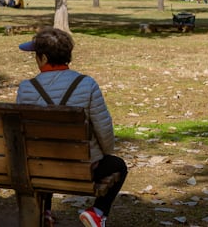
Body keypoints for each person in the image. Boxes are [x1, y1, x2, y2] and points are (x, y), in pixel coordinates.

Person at [17, 28, 126, 227]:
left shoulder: (26, 88)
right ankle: (97, 211)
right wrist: (106, 153)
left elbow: (24, 133)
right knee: (119, 165)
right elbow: (104, 129)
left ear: (42, 58)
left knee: (44, 147)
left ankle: (45, 211)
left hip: (40, 167)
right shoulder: (87, 84)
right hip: (84, 168)